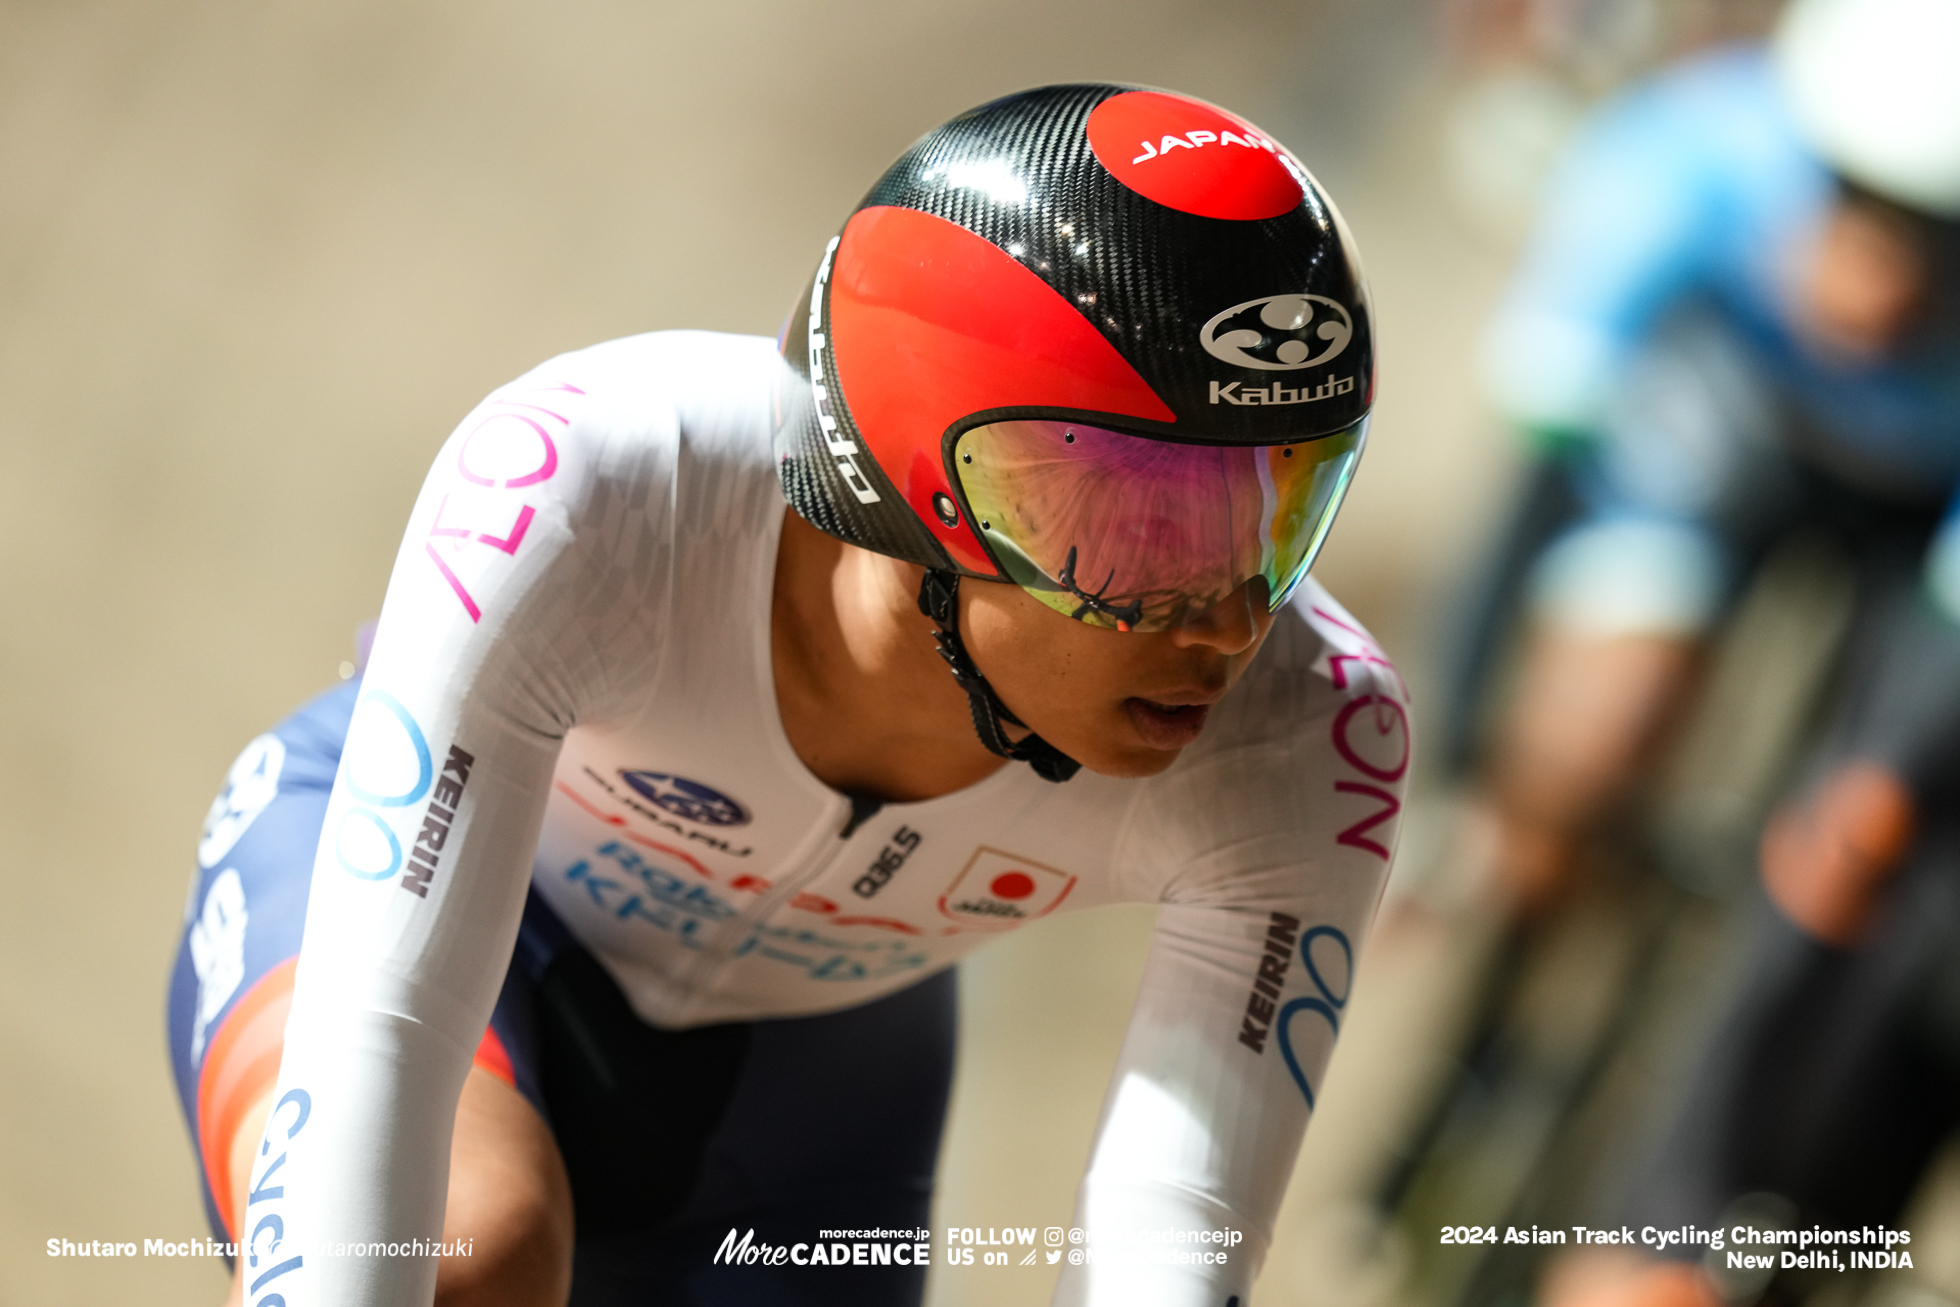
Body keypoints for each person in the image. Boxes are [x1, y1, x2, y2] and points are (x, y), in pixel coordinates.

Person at [165, 83, 1409, 1307]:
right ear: (926, 487)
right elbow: (379, 1032)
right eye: (1144, 535)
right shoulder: (595, 486)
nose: (1236, 620)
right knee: (471, 1252)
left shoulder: (1313, 727)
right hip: (450, 941)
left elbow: (1169, 1246)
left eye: (1281, 511)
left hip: (818, 1095)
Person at [1446, 0, 1960, 1301]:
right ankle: (1496, 1010)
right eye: (1853, 209)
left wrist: (1879, 792)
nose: (1884, 277)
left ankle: (1685, 1233)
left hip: (1927, 514)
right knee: (1599, 716)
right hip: (1723, 409)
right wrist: (1466, 751)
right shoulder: (1681, 161)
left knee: (1854, 854)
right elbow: (1536, 485)